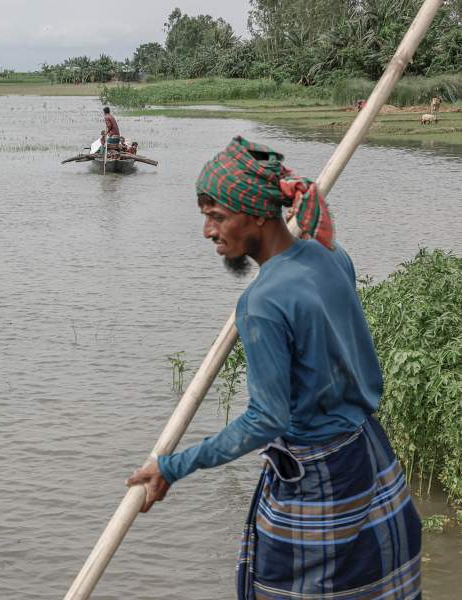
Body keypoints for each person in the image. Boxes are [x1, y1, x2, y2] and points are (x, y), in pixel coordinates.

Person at [126, 136, 421, 599]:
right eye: (206, 215)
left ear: (258, 215)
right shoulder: (331, 256)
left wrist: (174, 466)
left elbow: (267, 419)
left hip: (319, 478)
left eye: (217, 216)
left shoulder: (262, 303)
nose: (208, 231)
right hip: (367, 454)